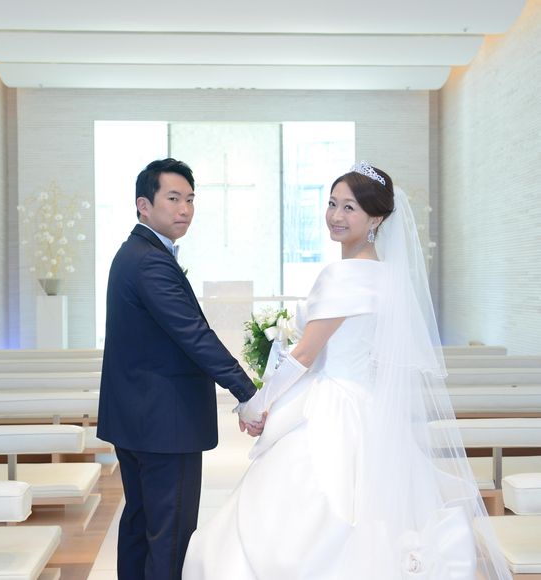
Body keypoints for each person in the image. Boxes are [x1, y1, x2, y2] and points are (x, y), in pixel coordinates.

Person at [182, 161, 512, 579]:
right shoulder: (388, 277)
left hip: (331, 407)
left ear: (376, 219)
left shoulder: (343, 276)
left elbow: (304, 355)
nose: (336, 216)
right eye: (332, 203)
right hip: (368, 409)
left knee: (297, 513)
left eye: (350, 208)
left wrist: (256, 404)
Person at [97, 158, 265, 580]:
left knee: (141, 524)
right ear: (144, 205)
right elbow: (193, 335)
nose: (185, 209)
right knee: (169, 535)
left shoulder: (136, 252)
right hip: (164, 423)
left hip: (139, 419)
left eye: (190, 199)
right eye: (173, 199)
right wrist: (248, 392)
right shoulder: (149, 261)